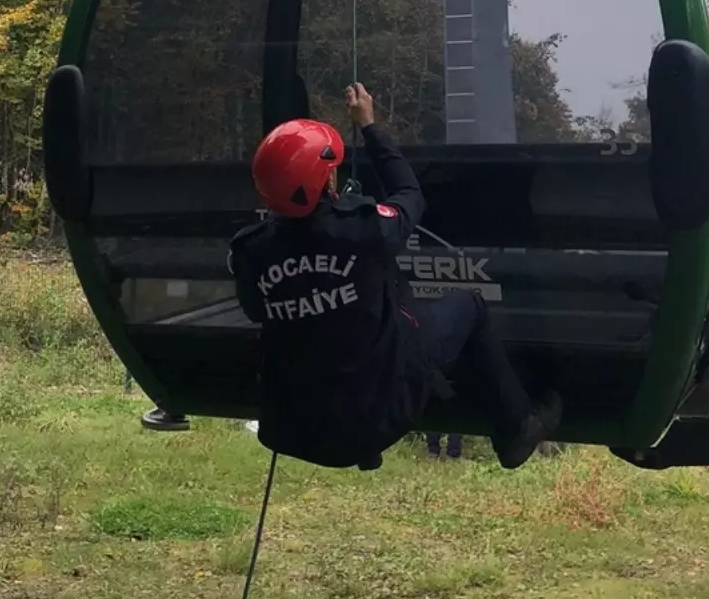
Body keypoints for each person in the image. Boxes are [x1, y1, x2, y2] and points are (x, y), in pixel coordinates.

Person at [228, 83, 560, 471]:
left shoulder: (251, 251)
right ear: (325, 182)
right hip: (379, 412)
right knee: (468, 306)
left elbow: (257, 310)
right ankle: (517, 426)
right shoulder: (363, 229)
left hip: (298, 428)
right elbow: (409, 193)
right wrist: (369, 126)